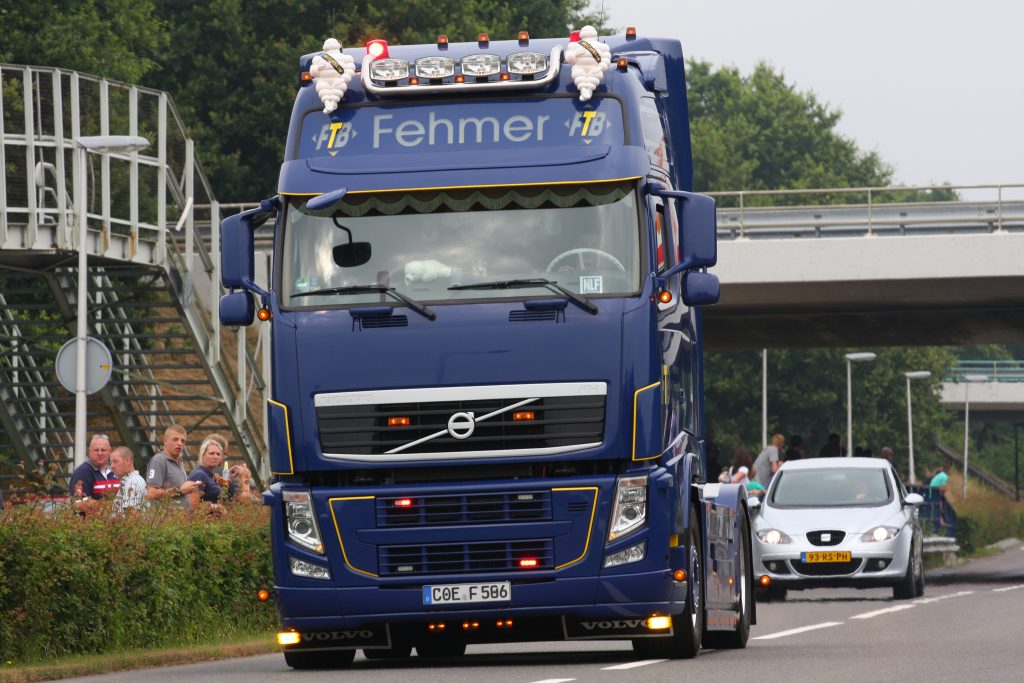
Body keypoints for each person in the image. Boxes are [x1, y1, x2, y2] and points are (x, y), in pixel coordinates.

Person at [145, 424, 201, 508]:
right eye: (175, 439)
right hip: (165, 519)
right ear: (165, 441)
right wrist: (180, 491)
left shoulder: (180, 462)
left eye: (183, 441)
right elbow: (151, 493)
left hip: (181, 519)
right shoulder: (159, 460)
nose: (179, 443)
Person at [68, 434, 120, 507]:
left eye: (103, 450)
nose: (100, 453)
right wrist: (110, 507)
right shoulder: (82, 472)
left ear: (110, 451)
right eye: (96, 450)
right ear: (89, 452)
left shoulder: (116, 471)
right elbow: (80, 503)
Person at [187, 436, 229, 514]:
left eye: (218, 454)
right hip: (200, 523)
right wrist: (215, 507)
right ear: (202, 455)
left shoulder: (211, 475)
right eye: (211, 453)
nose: (215, 457)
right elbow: (192, 505)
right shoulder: (199, 475)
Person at [110, 446, 147, 514]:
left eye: (115, 461)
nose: (112, 466)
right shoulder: (128, 481)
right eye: (111, 462)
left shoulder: (133, 482)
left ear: (127, 461)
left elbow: (132, 515)